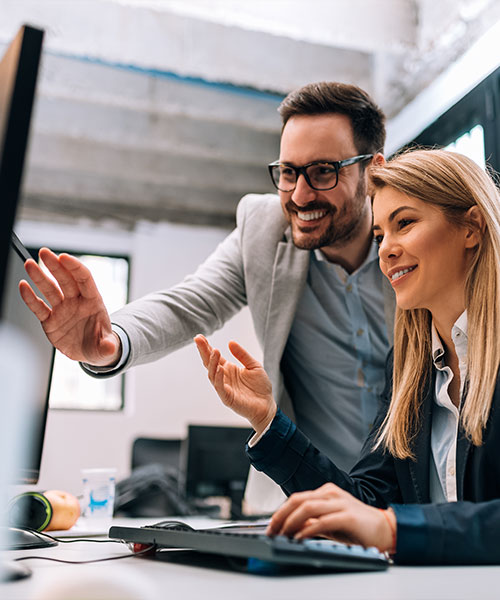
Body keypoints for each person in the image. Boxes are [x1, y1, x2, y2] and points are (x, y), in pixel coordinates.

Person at [19, 82, 394, 508]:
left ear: (373, 171)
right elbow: (190, 303)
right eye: (289, 172)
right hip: (307, 497)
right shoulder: (264, 229)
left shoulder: (414, 241)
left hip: (417, 497)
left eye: (324, 171)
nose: (301, 194)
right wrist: (110, 341)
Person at [194, 148, 500, 564]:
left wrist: (393, 530)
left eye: (405, 223)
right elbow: (364, 505)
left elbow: (382, 523)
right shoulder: (410, 369)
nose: (386, 250)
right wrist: (268, 421)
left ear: (471, 227)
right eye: (379, 236)